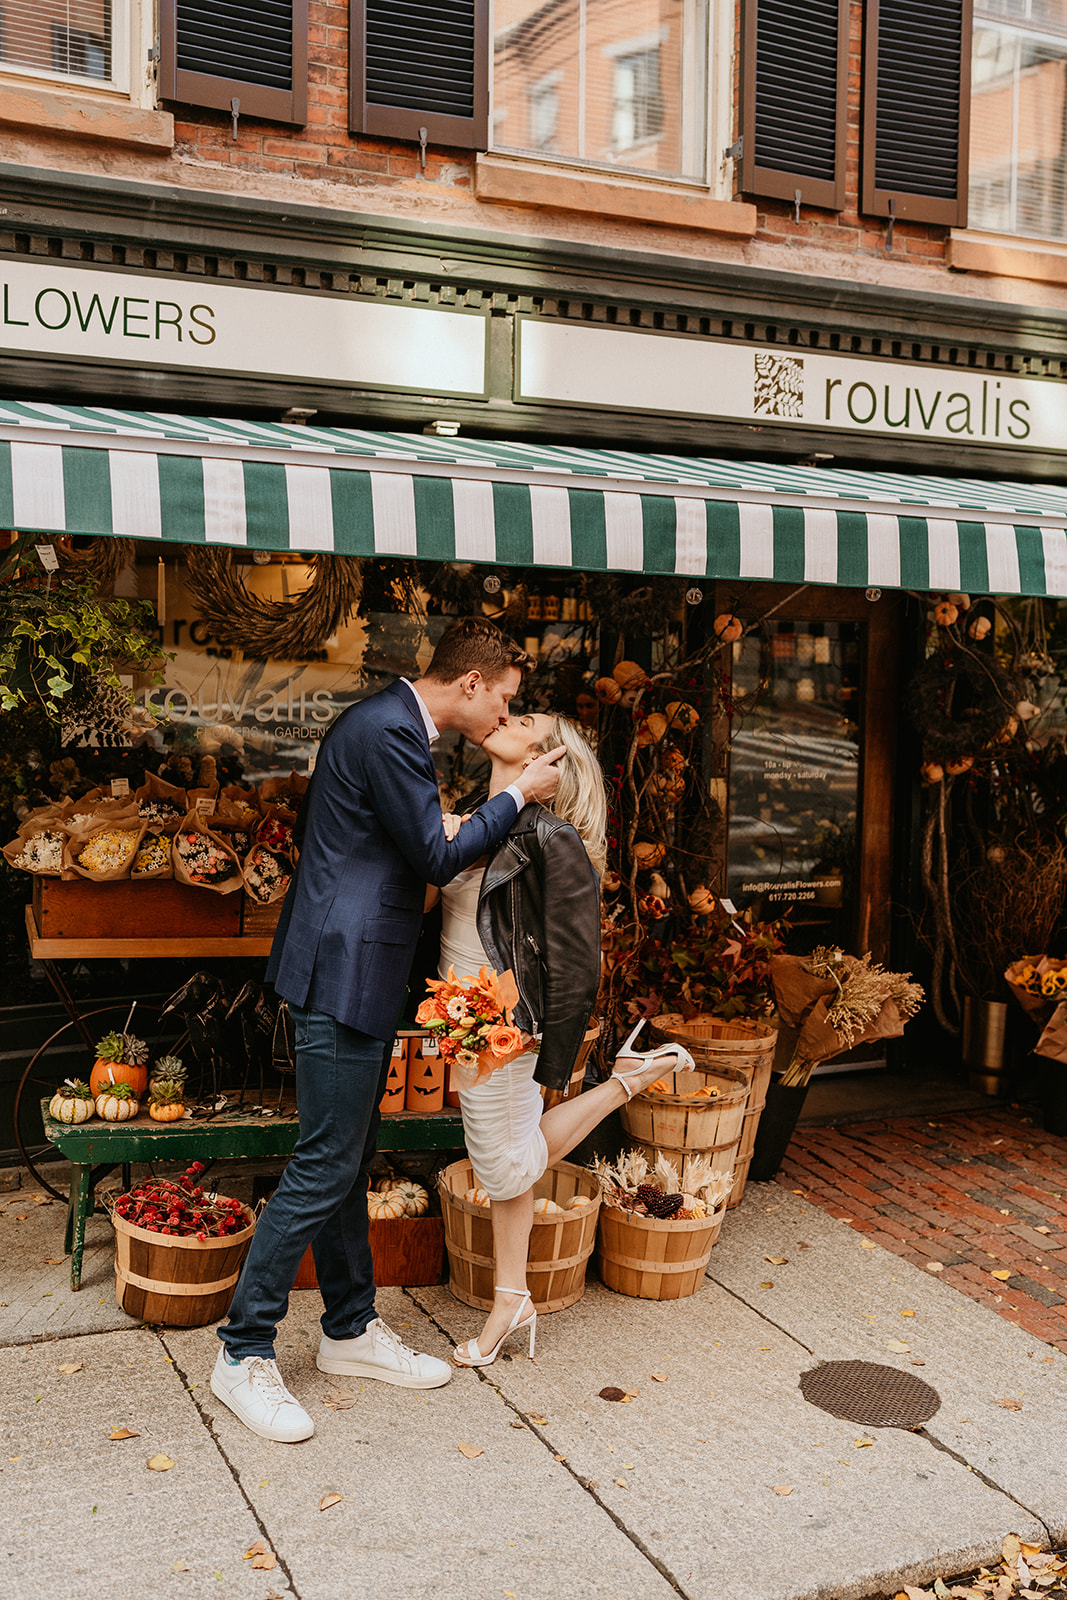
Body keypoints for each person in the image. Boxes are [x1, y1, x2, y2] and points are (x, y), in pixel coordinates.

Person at [211, 618, 566, 1443]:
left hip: (357, 971)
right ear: (472, 683)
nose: (505, 712)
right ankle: (242, 1351)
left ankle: (347, 1330)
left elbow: (417, 846)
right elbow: (435, 858)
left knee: (345, 1156)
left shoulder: (397, 728)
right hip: (340, 972)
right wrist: (518, 796)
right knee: (323, 1161)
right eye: (505, 697)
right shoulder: (386, 730)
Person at [430, 712, 692, 1367]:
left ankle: (624, 1082)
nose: (503, 716)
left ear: (543, 757)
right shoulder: (470, 811)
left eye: (521, 719)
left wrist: (554, 1064)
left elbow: (578, 961)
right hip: (458, 1010)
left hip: (506, 1019)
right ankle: (510, 1298)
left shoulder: (551, 837)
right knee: (507, 1163)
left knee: (501, 1166)